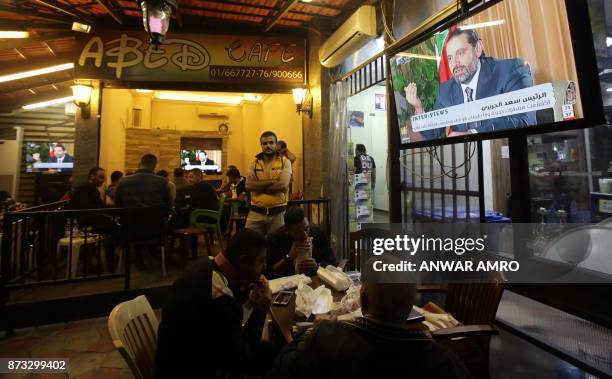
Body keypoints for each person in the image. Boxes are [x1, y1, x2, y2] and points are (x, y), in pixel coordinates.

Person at [268, 281, 471, 379]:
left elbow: (280, 370)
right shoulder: (443, 362)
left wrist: (309, 332)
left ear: (363, 302)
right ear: (411, 308)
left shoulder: (328, 337)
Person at [154, 228, 277, 378]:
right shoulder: (219, 296)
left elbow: (225, 323)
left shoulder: (205, 264)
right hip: (187, 369)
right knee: (279, 360)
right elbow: (243, 358)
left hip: (186, 354)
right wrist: (261, 310)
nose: (264, 267)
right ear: (243, 261)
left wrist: (247, 296)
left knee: (274, 351)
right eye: (261, 261)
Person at [405, 28, 536, 140]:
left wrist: (472, 134)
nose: (455, 63)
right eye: (450, 58)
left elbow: (525, 121)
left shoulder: (510, 70)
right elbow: (431, 134)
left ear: (478, 49)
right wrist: (418, 108)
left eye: (461, 53)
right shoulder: (446, 91)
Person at [114, 154, 172, 270]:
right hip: (155, 230)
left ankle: (139, 257)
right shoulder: (162, 182)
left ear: (140, 164)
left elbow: (118, 206)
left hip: (129, 231)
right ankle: (156, 255)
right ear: (154, 165)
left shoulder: (123, 182)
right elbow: (168, 207)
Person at [266, 206, 336, 279]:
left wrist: (317, 266)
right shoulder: (274, 239)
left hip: (316, 281)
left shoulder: (318, 234)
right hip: (287, 283)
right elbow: (269, 274)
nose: (305, 236)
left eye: (306, 229)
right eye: (298, 233)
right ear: (287, 230)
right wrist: (289, 257)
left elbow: (333, 263)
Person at [245, 131, 292, 236]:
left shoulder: (285, 162)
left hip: (278, 213)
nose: (268, 146)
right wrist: (272, 182)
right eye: (265, 143)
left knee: (277, 246)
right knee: (249, 243)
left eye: (271, 143)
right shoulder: (254, 163)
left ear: (276, 144)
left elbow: (283, 185)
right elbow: (248, 186)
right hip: (256, 212)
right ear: (261, 145)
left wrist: (258, 187)